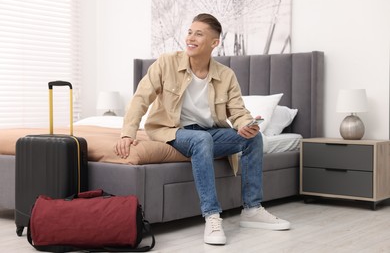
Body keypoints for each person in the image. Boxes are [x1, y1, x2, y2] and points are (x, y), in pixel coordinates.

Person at [115, 13, 290, 245]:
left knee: (253, 139)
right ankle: (212, 215)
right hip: (173, 130)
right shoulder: (166, 63)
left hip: (210, 131)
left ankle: (252, 209)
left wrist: (246, 125)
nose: (191, 37)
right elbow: (140, 99)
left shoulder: (226, 75)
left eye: (199, 34)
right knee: (200, 140)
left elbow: (237, 111)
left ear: (214, 43)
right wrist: (128, 132)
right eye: (189, 32)